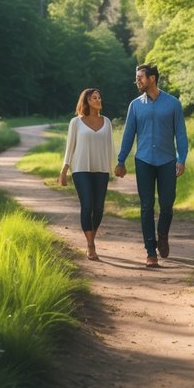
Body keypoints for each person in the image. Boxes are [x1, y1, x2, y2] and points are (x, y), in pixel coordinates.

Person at [114, 64, 188, 268]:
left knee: (167, 204)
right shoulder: (135, 105)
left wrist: (182, 159)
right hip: (144, 161)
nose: (137, 81)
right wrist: (121, 161)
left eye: (140, 77)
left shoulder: (173, 104)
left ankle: (162, 234)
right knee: (146, 205)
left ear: (152, 78)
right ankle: (150, 252)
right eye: (136, 77)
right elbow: (128, 135)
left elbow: (180, 133)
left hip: (167, 161)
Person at [59, 88, 114, 261]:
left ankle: (92, 237)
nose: (98, 100)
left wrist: (117, 166)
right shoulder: (76, 122)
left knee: (99, 208)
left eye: (99, 97)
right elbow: (70, 147)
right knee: (87, 205)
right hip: (81, 168)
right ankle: (90, 244)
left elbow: (110, 147)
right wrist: (64, 170)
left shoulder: (107, 122)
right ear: (86, 101)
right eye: (94, 98)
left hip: (102, 169)